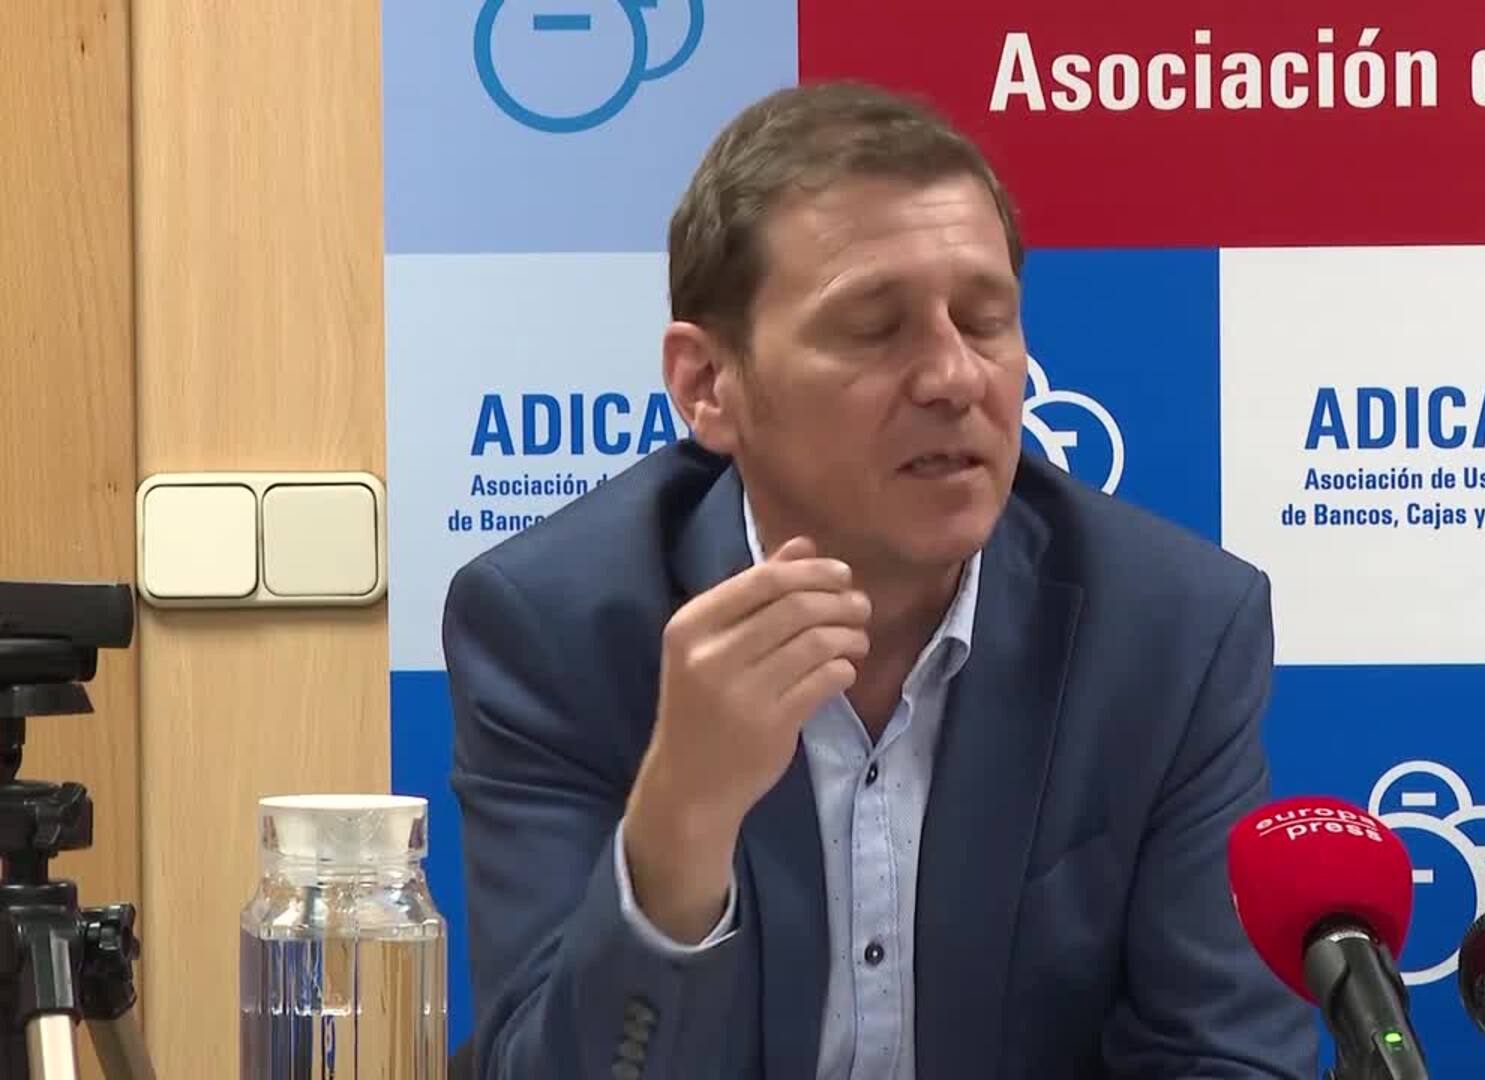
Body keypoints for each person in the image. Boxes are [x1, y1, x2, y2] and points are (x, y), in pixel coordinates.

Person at [442, 80, 1317, 1080]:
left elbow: (1224, 1056)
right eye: (873, 327)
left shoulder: (1168, 630)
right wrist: (682, 816)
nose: (954, 377)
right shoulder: (556, 628)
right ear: (708, 385)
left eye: (984, 320)